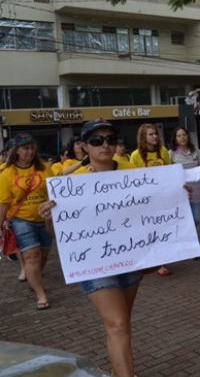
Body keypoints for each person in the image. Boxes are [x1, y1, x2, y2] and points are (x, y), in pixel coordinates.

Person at [39, 119, 141, 377]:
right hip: (94, 262)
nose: (105, 145)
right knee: (117, 324)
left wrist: (177, 196)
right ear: (84, 146)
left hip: (130, 255)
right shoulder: (71, 182)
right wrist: (51, 220)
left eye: (110, 139)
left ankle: (122, 370)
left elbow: (152, 205)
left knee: (122, 324)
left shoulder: (131, 170)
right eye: (97, 140)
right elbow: (59, 235)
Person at [0, 133, 53, 309]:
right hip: (21, 220)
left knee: (43, 256)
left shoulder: (45, 169)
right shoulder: (7, 173)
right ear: (16, 151)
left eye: (31, 148)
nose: (29, 152)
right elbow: (4, 203)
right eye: (25, 148)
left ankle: (34, 278)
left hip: (45, 219)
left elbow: (55, 193)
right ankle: (41, 294)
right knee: (31, 255)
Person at [130, 123, 172, 276]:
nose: (155, 136)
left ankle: (161, 261)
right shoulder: (135, 156)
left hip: (162, 198)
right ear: (143, 137)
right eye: (151, 134)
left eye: (156, 133)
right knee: (149, 230)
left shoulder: (163, 151)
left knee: (161, 229)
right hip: (145, 200)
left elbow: (170, 172)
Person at [169, 126, 200, 226]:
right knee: (183, 218)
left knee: (196, 218)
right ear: (175, 139)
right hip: (179, 191)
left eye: (184, 135)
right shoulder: (171, 153)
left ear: (188, 136)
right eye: (179, 136)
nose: (182, 138)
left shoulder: (195, 150)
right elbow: (168, 173)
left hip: (194, 190)